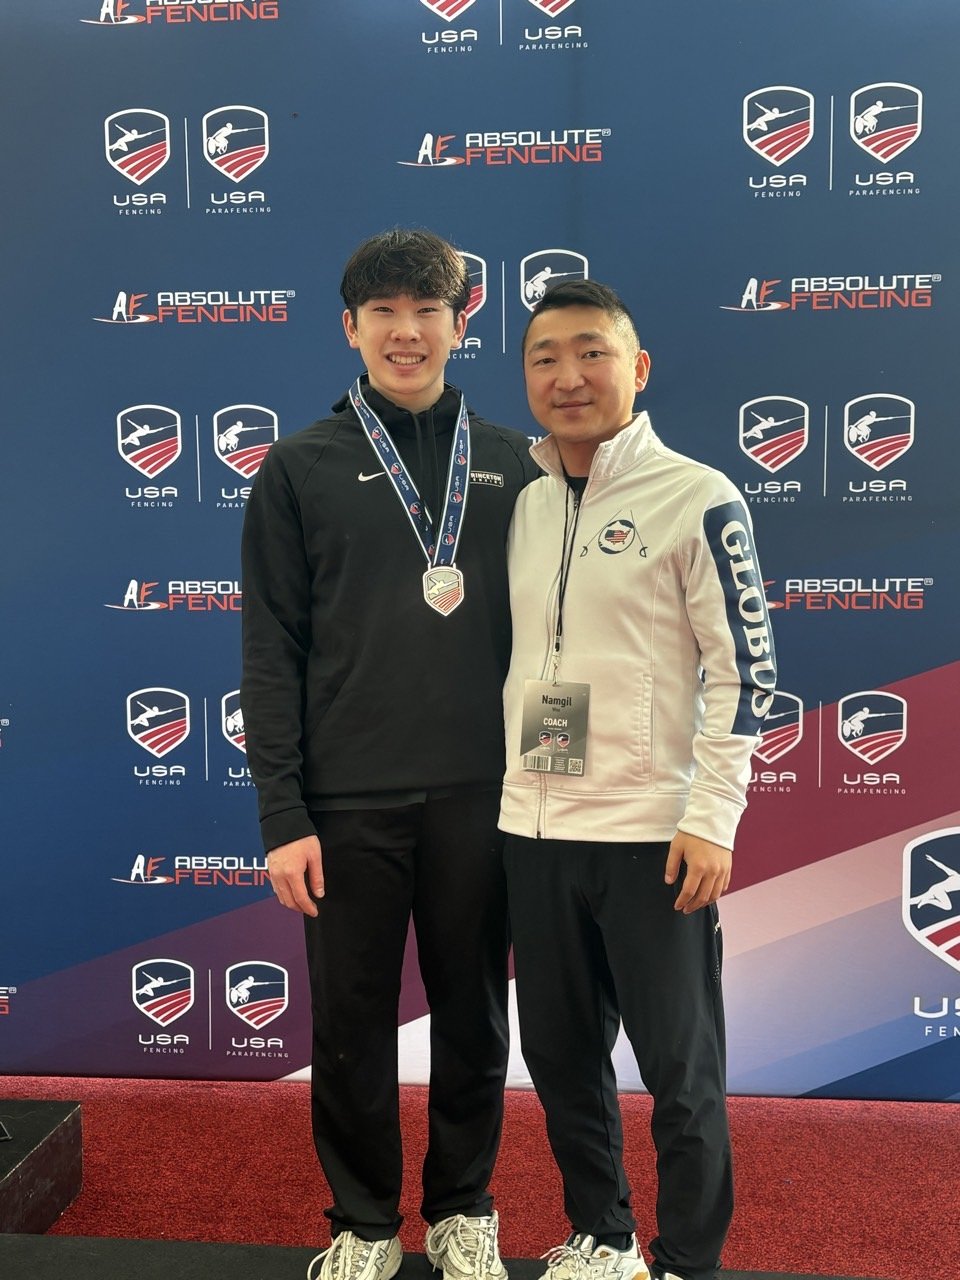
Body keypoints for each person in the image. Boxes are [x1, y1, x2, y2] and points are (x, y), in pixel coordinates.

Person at [240, 229, 538, 1280]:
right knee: (353, 1024)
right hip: (346, 800)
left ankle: (463, 1206)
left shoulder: (516, 463)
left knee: (473, 1014)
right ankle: (363, 1221)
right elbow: (270, 652)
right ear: (351, 327)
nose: (407, 332)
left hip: (484, 796)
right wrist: (283, 815)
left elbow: (557, 642)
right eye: (385, 312)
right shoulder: (296, 466)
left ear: (463, 323)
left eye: (429, 310)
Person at [498, 281, 776, 1280]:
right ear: (526, 375)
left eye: (591, 352)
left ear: (637, 367)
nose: (568, 376)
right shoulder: (526, 505)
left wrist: (712, 816)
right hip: (533, 831)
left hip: (655, 835)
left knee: (680, 1070)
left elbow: (749, 669)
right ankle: (602, 1237)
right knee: (562, 1061)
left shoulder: (698, 495)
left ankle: (687, 1259)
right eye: (544, 357)